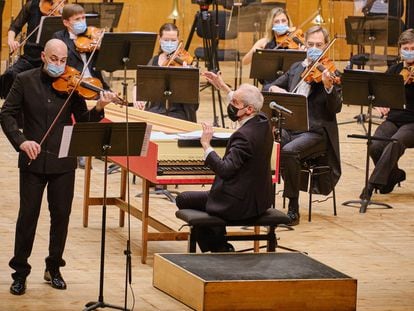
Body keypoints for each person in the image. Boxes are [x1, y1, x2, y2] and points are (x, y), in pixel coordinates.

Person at [0, 38, 115, 296]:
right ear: (43, 56)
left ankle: (54, 267)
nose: (59, 65)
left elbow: (83, 121)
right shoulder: (25, 81)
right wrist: (21, 141)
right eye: (54, 59)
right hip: (32, 160)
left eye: (63, 61)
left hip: (63, 161)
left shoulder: (72, 86)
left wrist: (99, 107)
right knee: (27, 217)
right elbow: (6, 113)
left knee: (61, 216)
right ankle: (20, 273)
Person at [175, 74, 274, 252]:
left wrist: (206, 144)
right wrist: (223, 87)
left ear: (249, 109)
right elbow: (243, 100)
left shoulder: (244, 136)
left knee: (184, 199)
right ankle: (220, 243)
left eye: (235, 103)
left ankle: (219, 248)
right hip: (260, 197)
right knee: (205, 198)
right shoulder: (263, 122)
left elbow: (225, 170)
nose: (231, 106)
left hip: (239, 203)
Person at [264, 26, 342, 226]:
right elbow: (269, 87)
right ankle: (262, 200)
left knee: (289, 152)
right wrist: (274, 88)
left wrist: (328, 86)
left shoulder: (331, 72)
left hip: (316, 133)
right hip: (292, 128)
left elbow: (335, 108)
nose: (314, 48)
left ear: (326, 47)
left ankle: (292, 208)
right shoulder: (297, 68)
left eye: (319, 45)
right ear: (304, 44)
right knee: (265, 140)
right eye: (310, 45)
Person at [53, 3, 111, 168]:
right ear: (66, 22)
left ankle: (100, 147)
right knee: (80, 106)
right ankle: (82, 149)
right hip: (74, 84)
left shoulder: (92, 37)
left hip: (95, 81)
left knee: (111, 100)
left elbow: (107, 66)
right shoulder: (59, 38)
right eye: (77, 19)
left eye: (84, 18)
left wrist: (103, 48)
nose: (82, 22)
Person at [362, 28, 414, 200]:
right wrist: (380, 104)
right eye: (405, 48)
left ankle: (371, 185)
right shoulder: (395, 70)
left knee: (395, 142)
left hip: (412, 123)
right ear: (400, 50)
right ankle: (394, 175)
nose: (409, 52)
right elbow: (379, 91)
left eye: (413, 49)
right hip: (393, 120)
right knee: (375, 144)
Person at [133, 22, 198, 122]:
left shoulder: (185, 61)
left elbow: (193, 99)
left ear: (178, 40)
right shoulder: (153, 61)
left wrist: (186, 76)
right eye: (166, 40)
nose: (169, 43)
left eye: (173, 40)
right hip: (155, 110)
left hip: (178, 112)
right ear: (160, 40)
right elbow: (139, 83)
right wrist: (136, 99)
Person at [0, 0, 54, 99]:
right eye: (51, 3)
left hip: (50, 60)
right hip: (29, 58)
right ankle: (13, 107)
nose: (53, 7)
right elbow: (15, 27)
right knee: (10, 74)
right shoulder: (31, 6)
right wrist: (11, 40)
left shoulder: (60, 10)